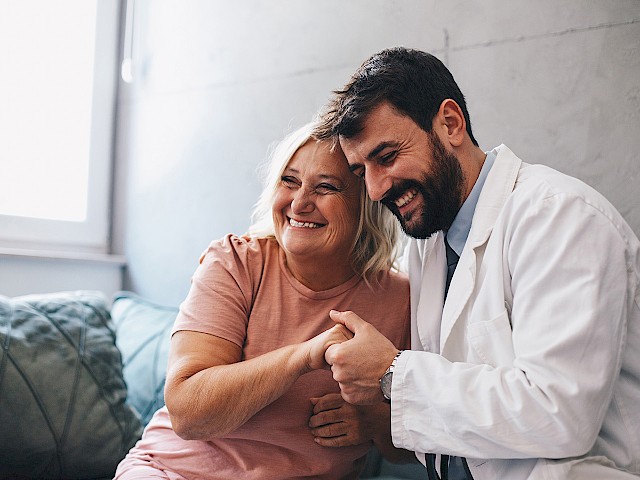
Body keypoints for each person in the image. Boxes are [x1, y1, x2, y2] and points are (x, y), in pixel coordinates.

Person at [314, 47, 640, 479]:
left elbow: (559, 414)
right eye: (361, 172)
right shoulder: (430, 241)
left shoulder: (561, 217)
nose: (374, 190)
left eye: (387, 157)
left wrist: (393, 373)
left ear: (450, 124)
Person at [113, 122, 413, 480]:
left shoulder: (401, 299)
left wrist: (375, 419)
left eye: (326, 187)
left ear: (365, 204)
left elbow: (416, 446)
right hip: (171, 470)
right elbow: (187, 413)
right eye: (289, 181)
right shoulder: (234, 263)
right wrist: (304, 356)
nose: (299, 203)